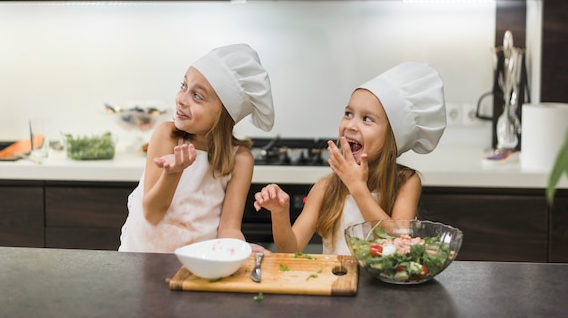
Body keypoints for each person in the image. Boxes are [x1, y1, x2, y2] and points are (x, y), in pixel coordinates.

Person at [254, 62, 446, 255]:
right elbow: (289, 250)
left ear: (393, 137)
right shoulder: (325, 188)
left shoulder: (407, 182)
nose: (351, 125)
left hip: (384, 286)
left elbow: (397, 245)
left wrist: (357, 187)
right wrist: (279, 214)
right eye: (348, 114)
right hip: (336, 283)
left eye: (367, 119)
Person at [119, 44, 274, 253]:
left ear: (224, 114)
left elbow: (229, 228)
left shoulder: (240, 159)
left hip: (198, 265)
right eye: (183, 86)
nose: (181, 99)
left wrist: (239, 248)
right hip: (142, 259)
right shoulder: (167, 135)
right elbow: (152, 213)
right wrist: (172, 174)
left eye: (197, 96)